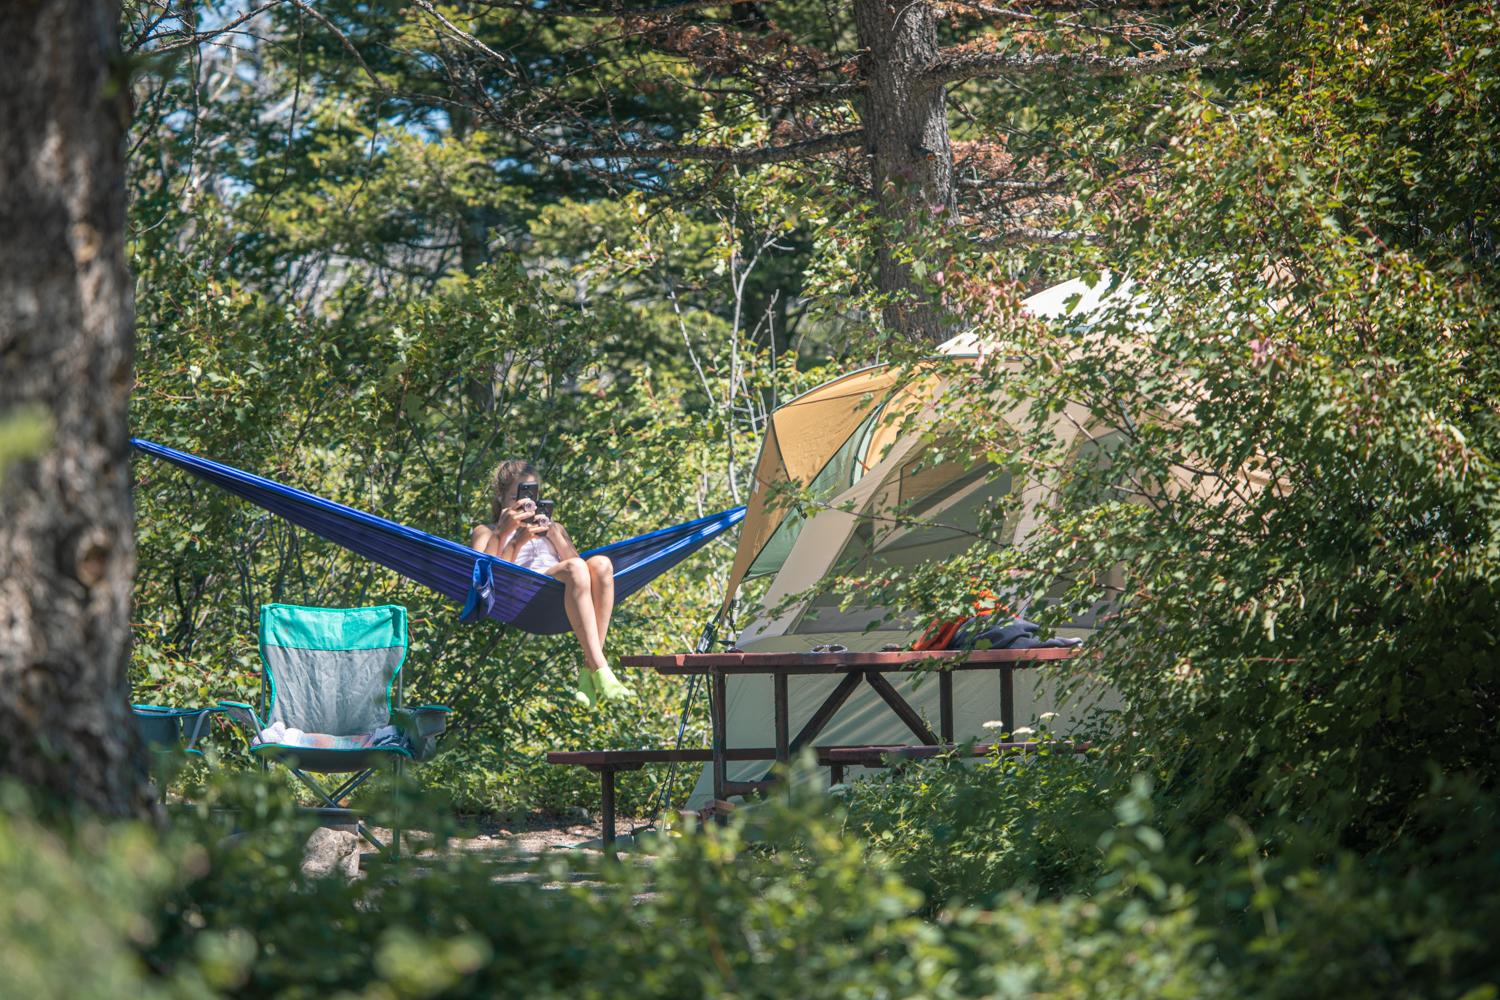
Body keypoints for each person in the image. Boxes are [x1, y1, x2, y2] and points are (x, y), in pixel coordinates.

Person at [469, 459, 630, 707]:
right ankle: (600, 668)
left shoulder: (553, 527)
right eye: (517, 497)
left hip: (559, 586)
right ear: (501, 497)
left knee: (602, 565)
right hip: (525, 589)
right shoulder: (487, 531)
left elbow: (584, 575)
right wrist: (511, 537)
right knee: (577, 567)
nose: (525, 504)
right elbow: (486, 576)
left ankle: (590, 670)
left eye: (531, 496)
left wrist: (556, 535)